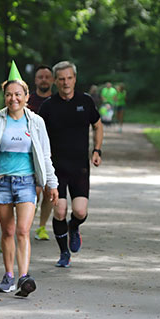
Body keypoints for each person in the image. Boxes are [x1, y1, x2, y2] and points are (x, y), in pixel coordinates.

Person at [0, 61, 58, 297]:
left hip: (27, 181)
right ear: (4, 97)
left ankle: (24, 277)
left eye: (18, 94)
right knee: (8, 231)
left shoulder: (36, 122)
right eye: (9, 95)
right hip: (2, 181)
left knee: (22, 230)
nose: (13, 99)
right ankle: (8, 276)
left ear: (26, 96)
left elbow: (45, 155)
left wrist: (52, 183)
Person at [39, 61, 103, 268]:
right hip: (55, 168)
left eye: (69, 78)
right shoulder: (48, 106)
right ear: (55, 81)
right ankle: (64, 252)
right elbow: (38, 136)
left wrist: (97, 150)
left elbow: (98, 125)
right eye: (61, 79)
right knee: (59, 211)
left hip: (79, 167)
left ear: (74, 79)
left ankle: (73, 227)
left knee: (80, 211)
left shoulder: (85, 101)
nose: (65, 82)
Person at [27, 65, 55, 241]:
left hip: (52, 152)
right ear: (35, 80)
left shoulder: (57, 100)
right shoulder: (27, 100)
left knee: (48, 191)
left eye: (47, 77)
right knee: (34, 192)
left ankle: (42, 227)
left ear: (52, 80)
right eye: (40, 77)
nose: (44, 80)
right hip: (29, 153)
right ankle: (26, 223)